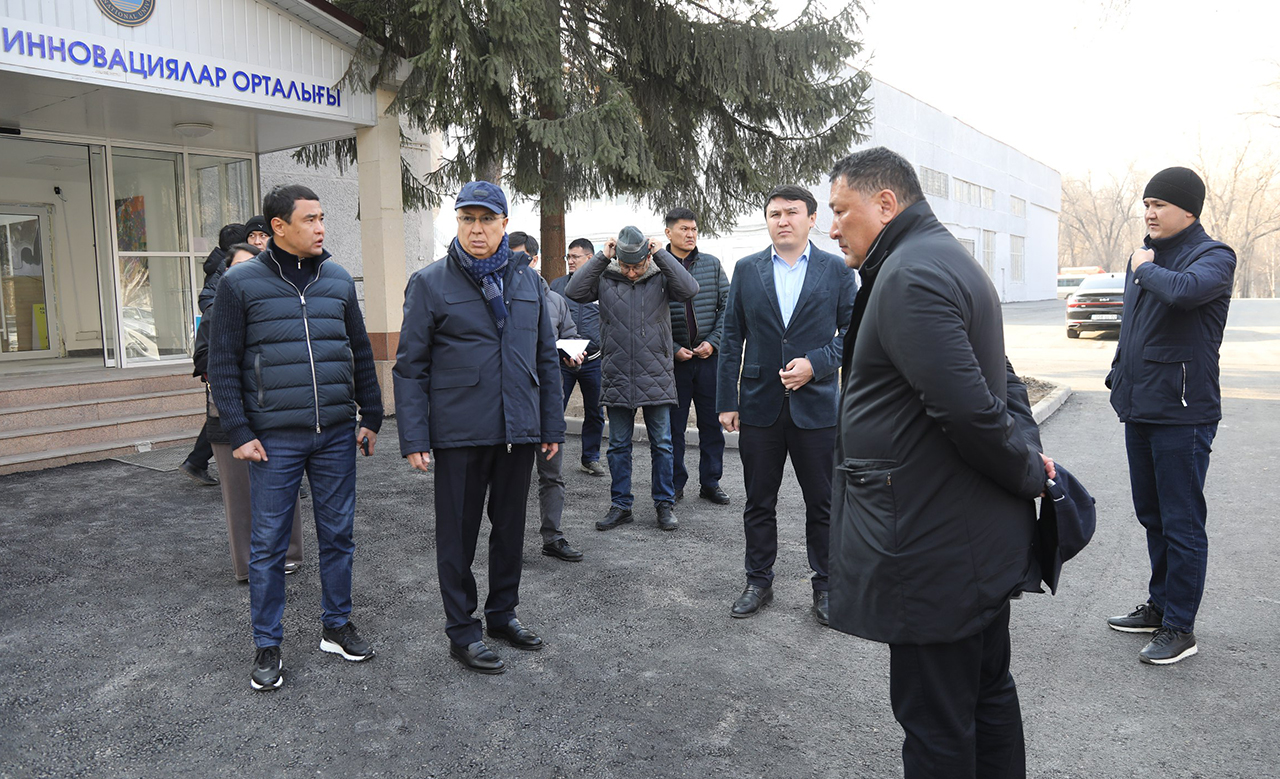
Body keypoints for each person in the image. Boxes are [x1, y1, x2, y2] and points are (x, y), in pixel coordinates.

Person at [826, 147, 1054, 779]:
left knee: (937, 724)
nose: (832, 226)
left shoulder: (911, 274)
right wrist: (1028, 454)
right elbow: (1000, 381)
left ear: (885, 203)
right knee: (986, 694)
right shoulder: (941, 258)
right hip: (962, 541)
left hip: (931, 548)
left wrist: (1029, 470)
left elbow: (972, 412)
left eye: (841, 210)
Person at [208, 184, 383, 691]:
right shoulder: (239, 284)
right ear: (278, 227)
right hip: (273, 438)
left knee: (339, 535)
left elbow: (358, 349)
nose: (321, 227)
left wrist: (371, 413)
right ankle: (268, 644)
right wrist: (239, 430)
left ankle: (336, 626)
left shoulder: (338, 279)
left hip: (335, 433)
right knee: (268, 545)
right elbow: (223, 364)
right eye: (310, 219)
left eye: (322, 217)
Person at [394, 182, 565, 675]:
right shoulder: (430, 282)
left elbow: (545, 357)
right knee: (458, 536)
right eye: (467, 219)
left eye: (487, 219)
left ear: (504, 224)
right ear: (457, 223)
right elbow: (410, 367)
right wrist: (415, 436)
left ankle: (502, 614)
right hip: (459, 431)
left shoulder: (528, 282)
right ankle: (463, 631)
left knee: (509, 531)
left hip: (518, 429)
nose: (476, 229)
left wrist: (550, 424)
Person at [1104, 167, 1236, 665]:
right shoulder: (1146, 257)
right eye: (1146, 204)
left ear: (1189, 211)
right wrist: (1118, 373)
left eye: (1159, 204)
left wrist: (1143, 268)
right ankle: (1159, 607)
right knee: (1152, 515)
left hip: (1183, 412)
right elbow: (1134, 325)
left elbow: (1183, 291)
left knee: (1182, 522)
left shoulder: (1214, 256)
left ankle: (1181, 627)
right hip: (1141, 406)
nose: (1150, 213)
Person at [716, 185, 855, 624]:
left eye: (792, 212)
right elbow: (731, 338)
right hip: (760, 406)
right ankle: (758, 581)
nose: (783, 220)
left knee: (823, 504)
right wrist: (727, 401)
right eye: (774, 213)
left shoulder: (836, 270)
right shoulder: (747, 269)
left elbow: (854, 334)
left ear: (812, 219)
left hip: (817, 408)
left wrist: (816, 364)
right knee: (759, 502)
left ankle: (827, 587)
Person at [565, 226, 699, 532]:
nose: (630, 272)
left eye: (636, 266)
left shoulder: (660, 276)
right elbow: (574, 292)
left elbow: (689, 289)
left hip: (656, 373)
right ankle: (621, 505)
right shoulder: (605, 277)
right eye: (625, 266)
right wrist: (602, 257)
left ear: (647, 258)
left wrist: (661, 254)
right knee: (618, 446)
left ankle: (664, 504)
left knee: (662, 444)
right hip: (617, 373)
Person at [194, 243, 305, 581]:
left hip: (275, 412)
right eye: (236, 267)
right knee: (240, 496)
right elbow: (203, 360)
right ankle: (248, 564)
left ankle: (289, 554)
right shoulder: (215, 312)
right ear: (226, 273)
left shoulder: (275, 307)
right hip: (229, 416)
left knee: (284, 487)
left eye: (251, 266)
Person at [509, 231, 586, 563]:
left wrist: (572, 354)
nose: (514, 264)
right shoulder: (498, 298)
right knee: (511, 478)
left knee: (552, 474)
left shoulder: (555, 301)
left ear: (535, 259)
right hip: (512, 403)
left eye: (521, 258)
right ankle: (508, 541)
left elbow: (570, 336)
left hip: (547, 401)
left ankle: (552, 537)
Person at [664, 208, 731, 505]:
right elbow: (647, 316)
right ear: (668, 232)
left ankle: (710, 482)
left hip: (707, 360)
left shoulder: (711, 265)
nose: (690, 234)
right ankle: (674, 483)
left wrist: (713, 343)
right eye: (684, 229)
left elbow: (728, 306)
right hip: (673, 362)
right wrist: (672, 347)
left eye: (693, 229)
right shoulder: (658, 267)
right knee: (673, 427)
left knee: (711, 425)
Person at [181, 222, 247, 487]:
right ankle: (196, 461)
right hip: (220, 363)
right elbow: (208, 300)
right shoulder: (223, 273)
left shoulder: (219, 266)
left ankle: (196, 461)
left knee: (220, 417)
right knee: (221, 418)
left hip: (222, 361)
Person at [551, 238, 606, 476]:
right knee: (554, 409)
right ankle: (550, 460)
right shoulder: (557, 285)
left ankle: (590, 458)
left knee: (595, 412)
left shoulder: (603, 285)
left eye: (575, 257)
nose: (570, 261)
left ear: (590, 258)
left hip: (594, 361)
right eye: (568, 257)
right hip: (562, 361)